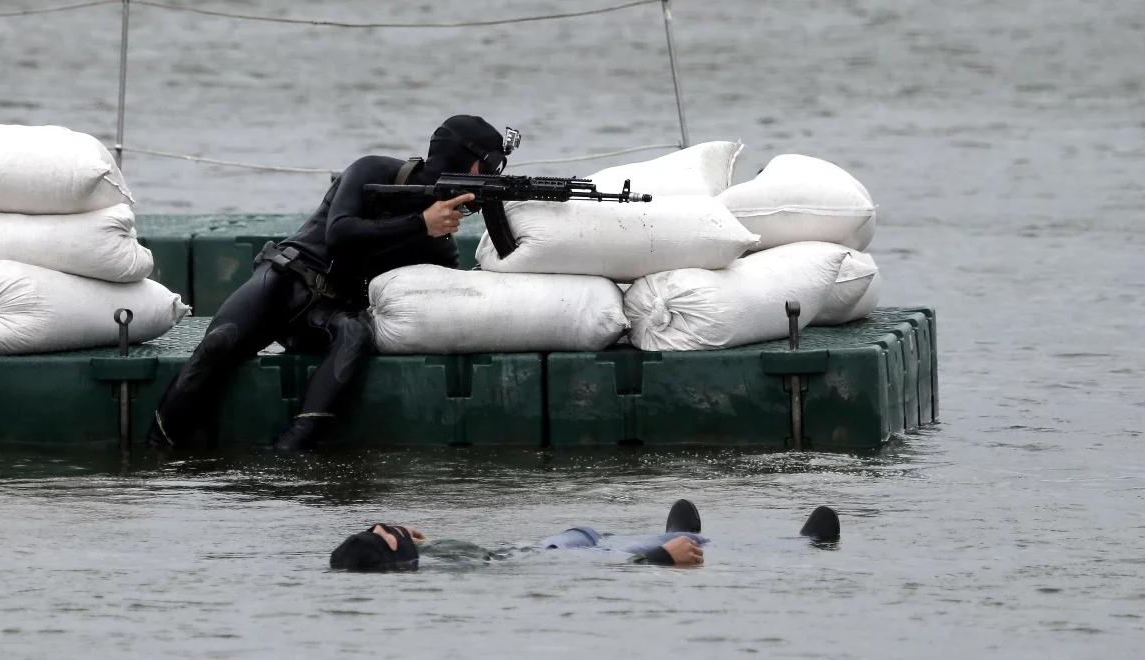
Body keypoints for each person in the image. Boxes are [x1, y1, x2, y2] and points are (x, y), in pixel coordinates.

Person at [147, 115, 512, 452]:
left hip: (328, 314)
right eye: (490, 166)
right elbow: (340, 233)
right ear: (466, 160)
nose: (491, 177)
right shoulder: (374, 171)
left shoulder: (440, 237)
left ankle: (290, 452)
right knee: (217, 344)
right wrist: (420, 223)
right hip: (281, 281)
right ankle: (157, 449)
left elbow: (443, 287)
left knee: (355, 333)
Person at [328, 500, 843, 572]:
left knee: (604, 534)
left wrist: (422, 539)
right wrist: (658, 562)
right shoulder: (438, 572)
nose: (387, 524)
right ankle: (805, 546)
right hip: (564, 561)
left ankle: (677, 533)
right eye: (387, 531)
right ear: (392, 549)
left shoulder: (422, 557)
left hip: (559, 543)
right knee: (649, 548)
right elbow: (575, 578)